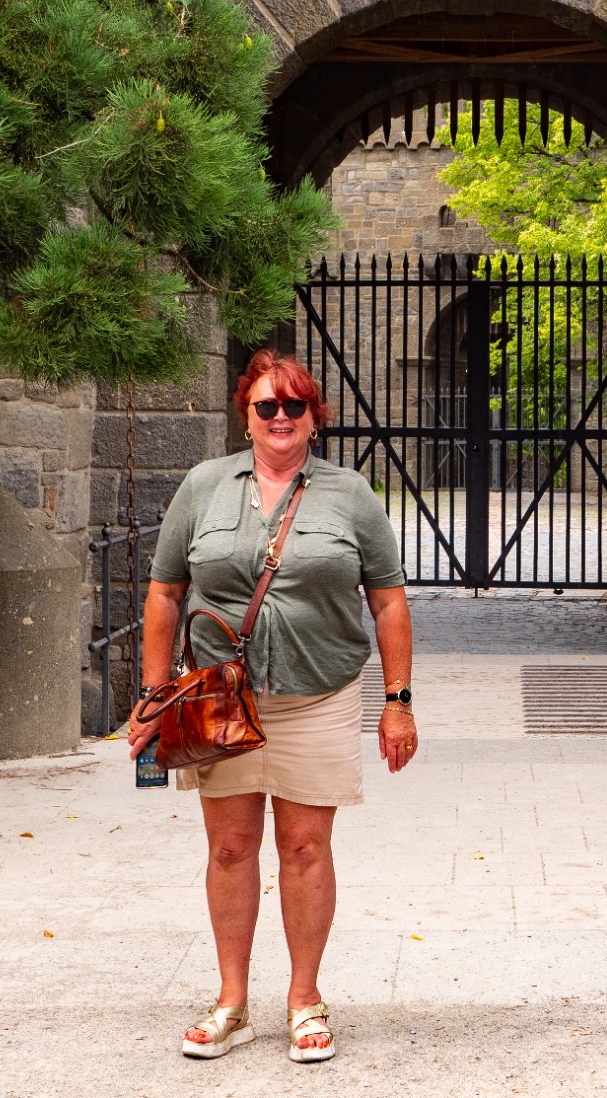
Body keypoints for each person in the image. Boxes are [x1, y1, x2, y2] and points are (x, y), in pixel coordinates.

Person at [127, 349, 418, 1063]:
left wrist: (398, 702)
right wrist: (154, 694)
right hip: (222, 698)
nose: (281, 416)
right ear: (247, 416)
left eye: (295, 405)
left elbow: (388, 600)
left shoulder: (350, 494)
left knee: (305, 846)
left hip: (319, 693)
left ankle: (304, 999)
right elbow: (165, 592)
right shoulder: (203, 486)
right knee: (229, 848)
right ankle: (232, 1002)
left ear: (315, 417)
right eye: (267, 406)